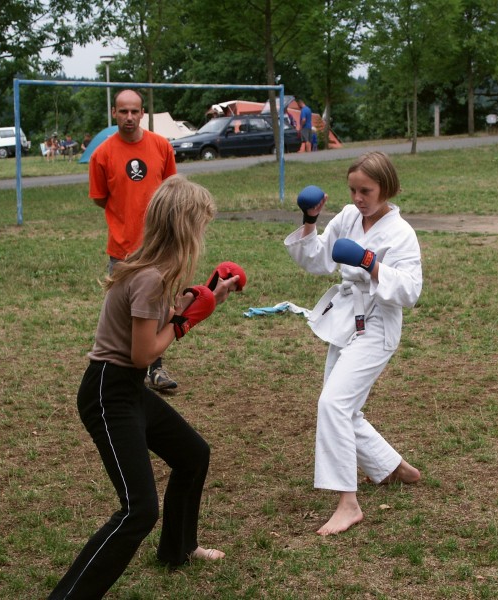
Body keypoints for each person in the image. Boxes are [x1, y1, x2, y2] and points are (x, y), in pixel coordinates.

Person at [48, 175, 239, 600]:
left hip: (126, 388)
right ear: (186, 229)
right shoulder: (150, 277)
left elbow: (154, 322)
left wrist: (202, 298)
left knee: (193, 455)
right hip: (108, 392)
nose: (203, 236)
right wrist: (186, 322)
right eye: (202, 226)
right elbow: (143, 354)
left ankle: (178, 549)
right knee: (139, 509)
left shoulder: (152, 269)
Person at [284, 151, 423, 536]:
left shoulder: (401, 233)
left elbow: (411, 291)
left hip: (378, 325)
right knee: (341, 407)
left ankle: (348, 503)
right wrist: (310, 220)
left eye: (366, 191)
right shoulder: (348, 217)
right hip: (348, 321)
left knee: (333, 404)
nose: (358, 198)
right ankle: (392, 466)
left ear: (386, 188)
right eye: (353, 190)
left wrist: (371, 264)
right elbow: (318, 260)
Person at [90, 89, 179, 392]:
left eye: (134, 111)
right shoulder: (102, 154)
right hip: (122, 248)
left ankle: (156, 368)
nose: (129, 117)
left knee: (159, 306)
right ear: (114, 113)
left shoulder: (161, 146)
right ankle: (126, 372)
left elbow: (171, 193)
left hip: (159, 246)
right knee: (126, 312)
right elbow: (100, 198)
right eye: (123, 111)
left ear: (142, 113)